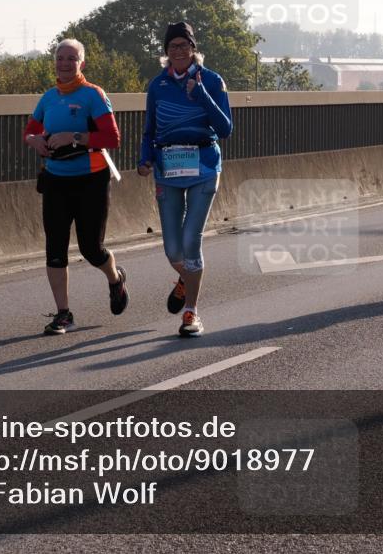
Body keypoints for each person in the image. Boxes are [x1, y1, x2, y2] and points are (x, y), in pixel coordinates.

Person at [23, 38, 129, 335]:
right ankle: (63, 314)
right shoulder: (48, 98)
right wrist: (34, 141)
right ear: (54, 62)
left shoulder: (93, 95)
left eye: (72, 58)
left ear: (81, 63)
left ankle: (115, 279)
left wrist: (75, 136)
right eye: (60, 58)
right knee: (55, 250)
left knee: (92, 249)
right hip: (56, 180)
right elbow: (30, 131)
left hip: (91, 179)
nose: (65, 63)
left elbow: (112, 138)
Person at [138, 22, 233, 337]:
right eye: (172, 46)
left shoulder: (213, 81)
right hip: (169, 169)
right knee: (173, 251)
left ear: (193, 49)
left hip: (204, 166)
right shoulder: (158, 85)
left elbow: (225, 128)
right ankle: (187, 277)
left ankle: (191, 312)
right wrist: (144, 158)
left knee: (192, 240)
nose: (178, 51)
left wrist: (202, 94)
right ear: (166, 52)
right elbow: (149, 128)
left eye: (184, 45)